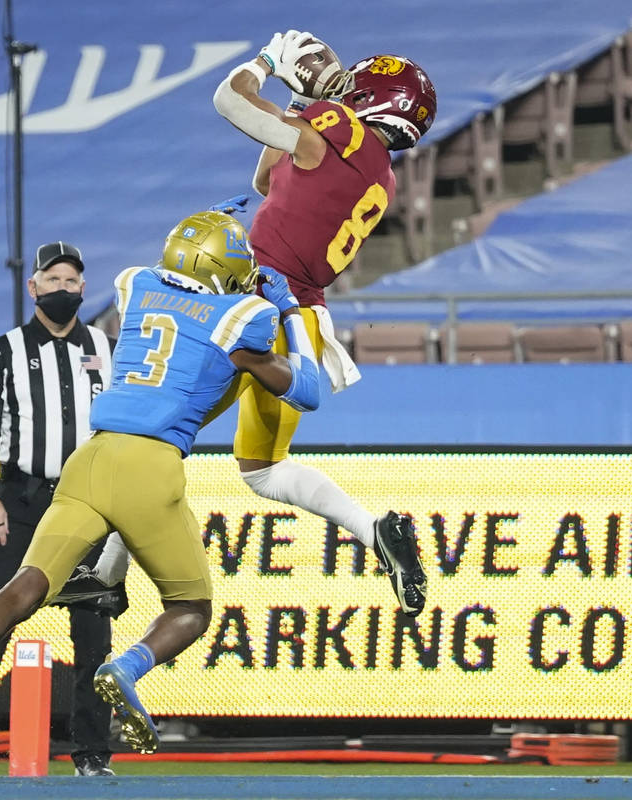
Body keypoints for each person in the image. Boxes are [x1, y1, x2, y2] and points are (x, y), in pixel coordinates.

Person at [0, 209, 322, 788]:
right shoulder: (242, 319)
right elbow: (308, 391)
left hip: (87, 461)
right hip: (150, 465)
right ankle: (127, 669)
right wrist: (293, 308)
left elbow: (186, 271)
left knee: (18, 591)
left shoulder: (138, 284)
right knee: (190, 609)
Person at [211, 33, 439, 617]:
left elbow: (229, 101)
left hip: (255, 302)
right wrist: (296, 104)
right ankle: (375, 530)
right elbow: (271, 181)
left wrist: (265, 65)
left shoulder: (340, 128)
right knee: (263, 471)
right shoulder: (380, 175)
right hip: (304, 324)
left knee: (157, 428)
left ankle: (101, 568)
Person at [0, 241, 130, 779]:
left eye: (71, 281)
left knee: (93, 632)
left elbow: (127, 429)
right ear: (32, 286)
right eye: (52, 279)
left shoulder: (109, 350)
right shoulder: (5, 350)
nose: (62, 288)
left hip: (90, 502)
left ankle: (90, 752)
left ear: (85, 289)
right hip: (23, 501)